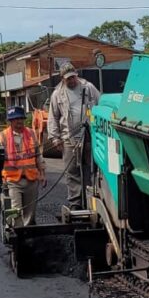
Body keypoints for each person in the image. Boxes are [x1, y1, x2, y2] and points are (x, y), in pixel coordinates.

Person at [47, 63, 100, 210]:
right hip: (69, 139)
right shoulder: (57, 94)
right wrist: (55, 138)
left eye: (73, 77)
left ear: (76, 75)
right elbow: (53, 117)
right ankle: (76, 204)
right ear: (63, 79)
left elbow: (101, 105)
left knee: (90, 170)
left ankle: (91, 202)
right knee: (72, 173)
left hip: (89, 137)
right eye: (68, 79)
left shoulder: (88, 88)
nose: (71, 80)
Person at [0, 106, 45, 227]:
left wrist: (42, 174)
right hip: (13, 180)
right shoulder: (3, 136)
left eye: (20, 118)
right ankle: (18, 235)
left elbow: (38, 156)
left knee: (30, 213)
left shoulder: (30, 133)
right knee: (16, 211)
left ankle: (29, 234)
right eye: (15, 119)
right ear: (10, 121)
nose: (19, 121)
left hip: (31, 179)